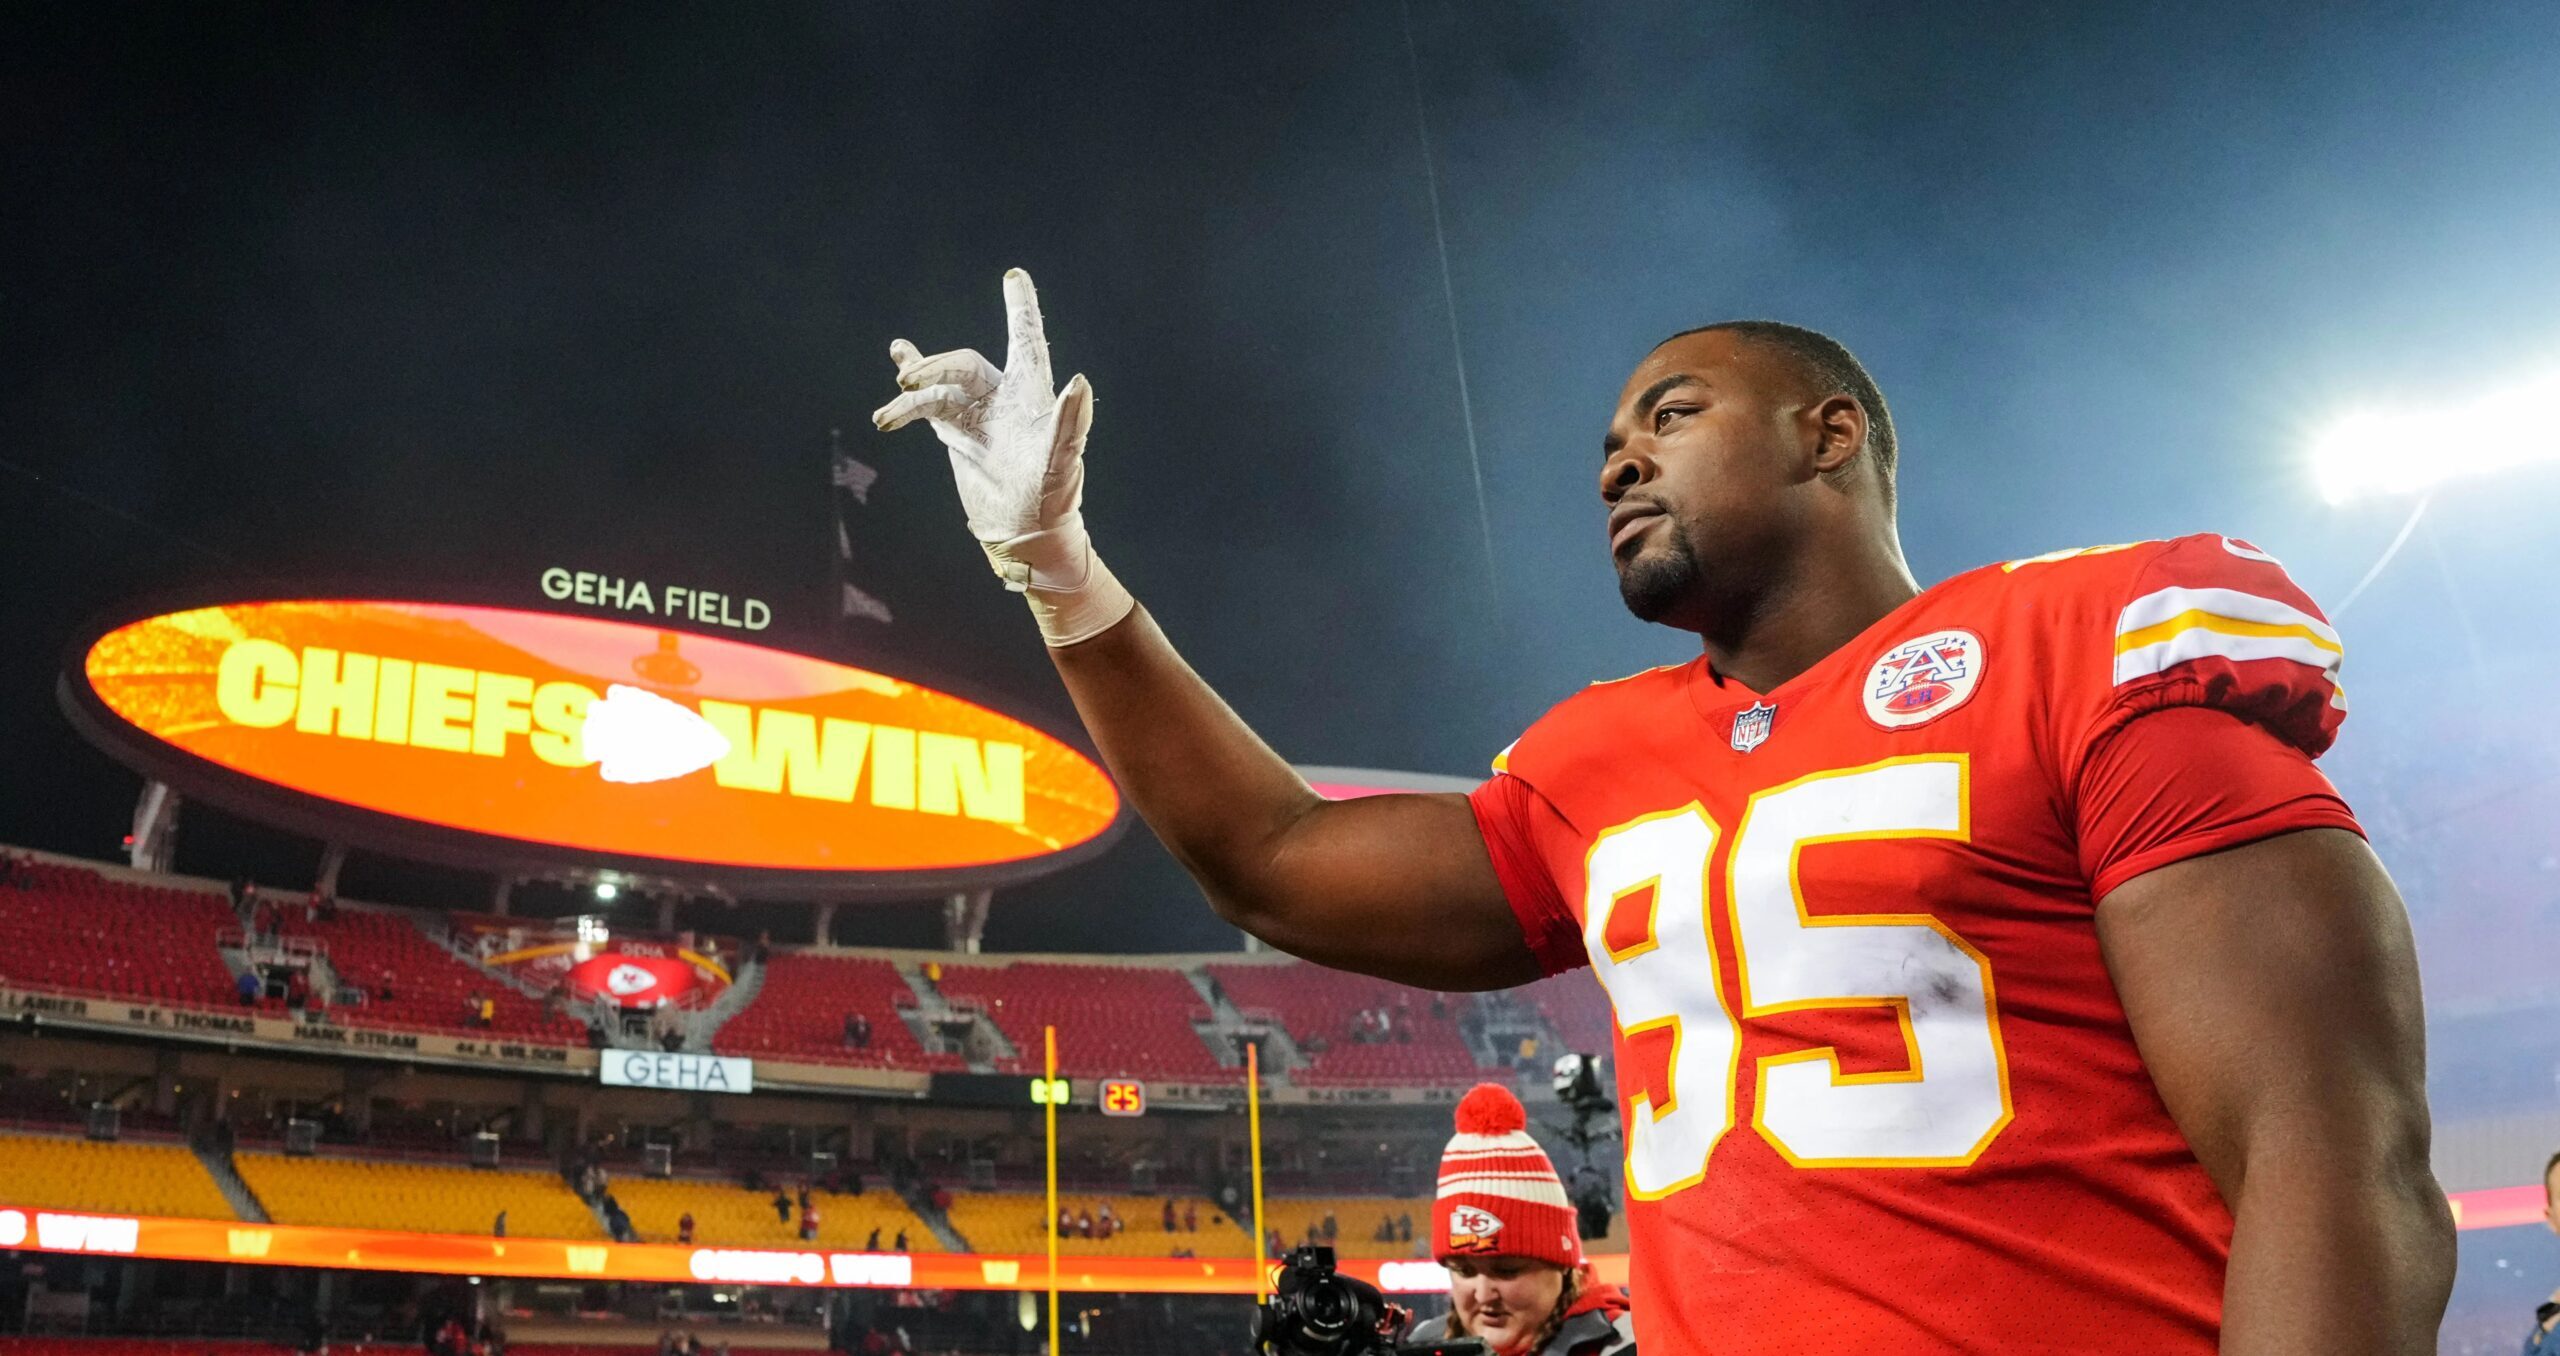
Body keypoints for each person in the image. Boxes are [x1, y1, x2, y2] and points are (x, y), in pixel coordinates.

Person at [872, 273, 2452, 1351]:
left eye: (1673, 415)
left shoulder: (2081, 642)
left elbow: (2328, 1148)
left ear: (1828, 434)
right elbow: (1275, 862)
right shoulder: (1596, 762)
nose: (1620, 459)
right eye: (1608, 446)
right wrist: (1062, 576)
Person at [1404, 1085, 1633, 1355]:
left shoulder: (1628, 1345)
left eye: (1506, 1270)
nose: (1483, 1295)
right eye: (1464, 1271)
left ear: (1561, 1265)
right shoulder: (1425, 1344)